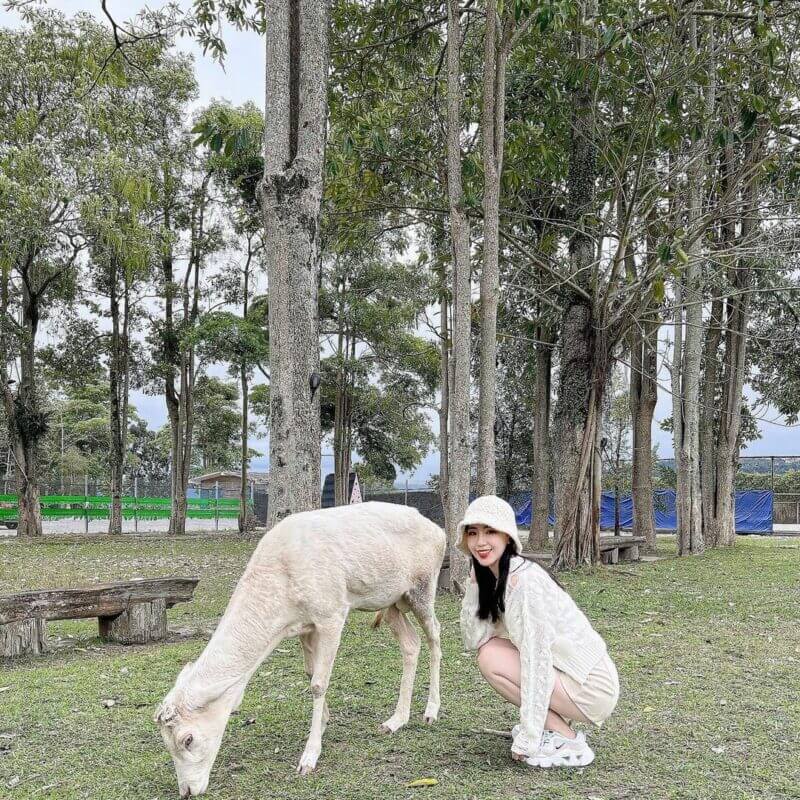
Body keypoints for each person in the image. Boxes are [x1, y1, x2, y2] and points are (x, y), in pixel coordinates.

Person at [458, 495, 619, 768]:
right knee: (489, 651)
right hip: (567, 677)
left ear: (507, 536)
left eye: (490, 531)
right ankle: (555, 729)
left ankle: (568, 740)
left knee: (491, 659)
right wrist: (474, 586)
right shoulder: (495, 577)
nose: (480, 542)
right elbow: (474, 638)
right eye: (472, 533)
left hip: (591, 687)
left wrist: (529, 735)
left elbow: (537, 659)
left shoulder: (525, 582)